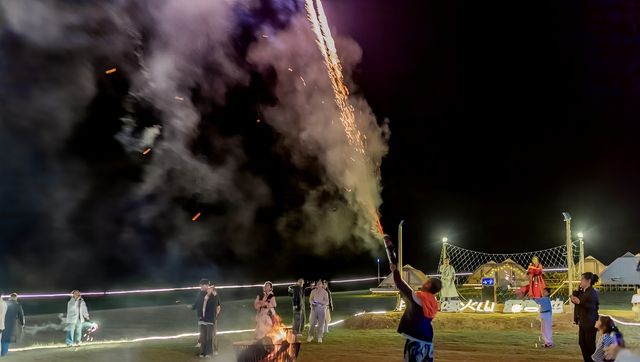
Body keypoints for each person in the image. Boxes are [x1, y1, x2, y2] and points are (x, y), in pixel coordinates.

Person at [384, 234, 442, 362]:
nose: (424, 282)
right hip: (428, 342)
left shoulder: (419, 299)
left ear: (428, 285)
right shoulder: (433, 302)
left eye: (427, 281)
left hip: (416, 342)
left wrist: (394, 270)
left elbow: (401, 285)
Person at [571, 272, 600, 362]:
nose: (580, 281)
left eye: (582, 279)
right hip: (582, 322)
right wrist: (576, 291)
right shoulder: (582, 291)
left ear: (588, 281)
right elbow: (576, 300)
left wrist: (579, 302)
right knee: (582, 343)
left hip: (590, 322)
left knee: (590, 345)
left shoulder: (592, 292)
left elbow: (592, 307)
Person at [198, 285, 221, 358]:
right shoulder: (206, 296)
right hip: (203, 319)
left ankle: (210, 352)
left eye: (209, 289)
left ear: (212, 290)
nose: (207, 290)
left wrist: (215, 316)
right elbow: (202, 306)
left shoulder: (215, 297)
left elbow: (218, 307)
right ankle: (203, 352)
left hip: (211, 319)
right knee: (203, 336)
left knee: (210, 336)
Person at [307, 279, 329, 343]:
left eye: (320, 284)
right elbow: (310, 299)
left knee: (321, 324)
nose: (319, 285)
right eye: (318, 284)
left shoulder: (325, 292)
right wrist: (313, 303)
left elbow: (327, 302)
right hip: (314, 309)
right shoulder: (313, 291)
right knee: (312, 323)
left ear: (322, 285)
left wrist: (321, 302)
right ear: (316, 285)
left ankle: (320, 337)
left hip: (322, 310)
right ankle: (310, 336)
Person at [192, 278, 210, 348]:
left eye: (202, 285)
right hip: (201, 315)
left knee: (208, 331)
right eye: (201, 285)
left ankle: (208, 345)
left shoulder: (209, 293)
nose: (201, 287)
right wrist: (193, 307)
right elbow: (197, 303)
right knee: (202, 330)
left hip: (209, 315)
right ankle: (200, 342)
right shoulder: (200, 293)